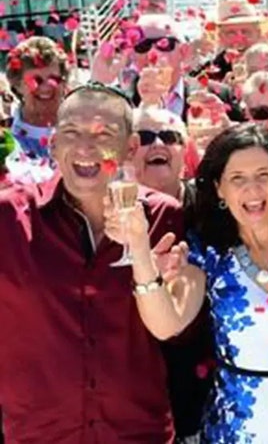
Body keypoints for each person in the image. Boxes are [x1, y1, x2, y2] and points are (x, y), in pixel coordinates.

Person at [109, 124, 268, 443]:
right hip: (233, 431)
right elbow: (166, 324)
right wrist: (140, 252)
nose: (253, 190)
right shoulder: (207, 252)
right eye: (237, 179)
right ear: (218, 189)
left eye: (263, 176)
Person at [0, 84, 184, 442]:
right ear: (53, 143)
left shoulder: (165, 217)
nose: (85, 147)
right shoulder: (7, 218)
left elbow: (180, 327)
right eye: (71, 133)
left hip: (138, 435)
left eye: (104, 134)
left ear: (130, 148)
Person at [127, 106, 216, 443]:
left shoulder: (214, 206)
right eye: (145, 138)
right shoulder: (106, 211)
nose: (158, 144)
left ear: (187, 149)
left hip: (205, 390)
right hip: (133, 390)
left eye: (169, 137)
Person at [3, 36, 68, 183]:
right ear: (17, 85)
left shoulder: (83, 125)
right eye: (36, 80)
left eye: (53, 79)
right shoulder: (6, 135)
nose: (45, 88)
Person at [198, 0, 268, 82]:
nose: (239, 39)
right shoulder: (209, 71)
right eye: (231, 33)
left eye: (245, 32)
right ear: (220, 37)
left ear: (258, 34)